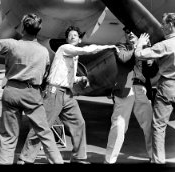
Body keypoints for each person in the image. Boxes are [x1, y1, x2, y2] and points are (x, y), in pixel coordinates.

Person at [18, 25, 119, 164]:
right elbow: (85, 51)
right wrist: (108, 47)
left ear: (79, 39)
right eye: (70, 35)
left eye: (75, 35)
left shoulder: (74, 56)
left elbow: (69, 78)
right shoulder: (65, 49)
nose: (72, 37)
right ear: (66, 39)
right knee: (43, 125)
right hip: (54, 91)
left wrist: (81, 79)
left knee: (79, 123)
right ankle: (25, 158)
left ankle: (79, 157)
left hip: (67, 93)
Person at [0, 13, 64, 164]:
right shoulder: (44, 51)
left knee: (8, 137)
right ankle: (57, 161)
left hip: (11, 91)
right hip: (32, 93)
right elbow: (45, 74)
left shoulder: (12, 44)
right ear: (37, 30)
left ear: (22, 28)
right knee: (44, 133)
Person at [104, 27, 158, 164]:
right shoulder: (120, 46)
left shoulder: (146, 49)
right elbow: (124, 59)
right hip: (125, 89)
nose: (130, 34)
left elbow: (152, 72)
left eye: (133, 31)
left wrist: (149, 53)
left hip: (142, 88)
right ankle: (109, 160)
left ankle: (154, 157)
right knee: (119, 126)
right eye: (127, 32)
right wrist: (138, 46)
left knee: (150, 125)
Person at [135, 12, 175, 164]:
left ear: (170, 25)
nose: (161, 27)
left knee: (159, 126)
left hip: (167, 86)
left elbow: (139, 54)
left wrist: (140, 43)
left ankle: (159, 162)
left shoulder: (165, 45)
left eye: (163, 24)